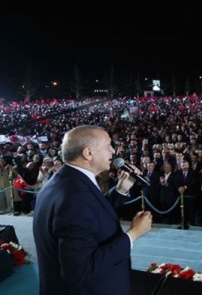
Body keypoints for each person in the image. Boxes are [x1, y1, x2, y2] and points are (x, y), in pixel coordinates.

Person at [33, 125, 153, 295]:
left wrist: (119, 190)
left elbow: (90, 214)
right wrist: (133, 234)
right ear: (88, 153)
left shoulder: (64, 181)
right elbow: (82, 270)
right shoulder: (75, 197)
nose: (113, 151)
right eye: (108, 145)